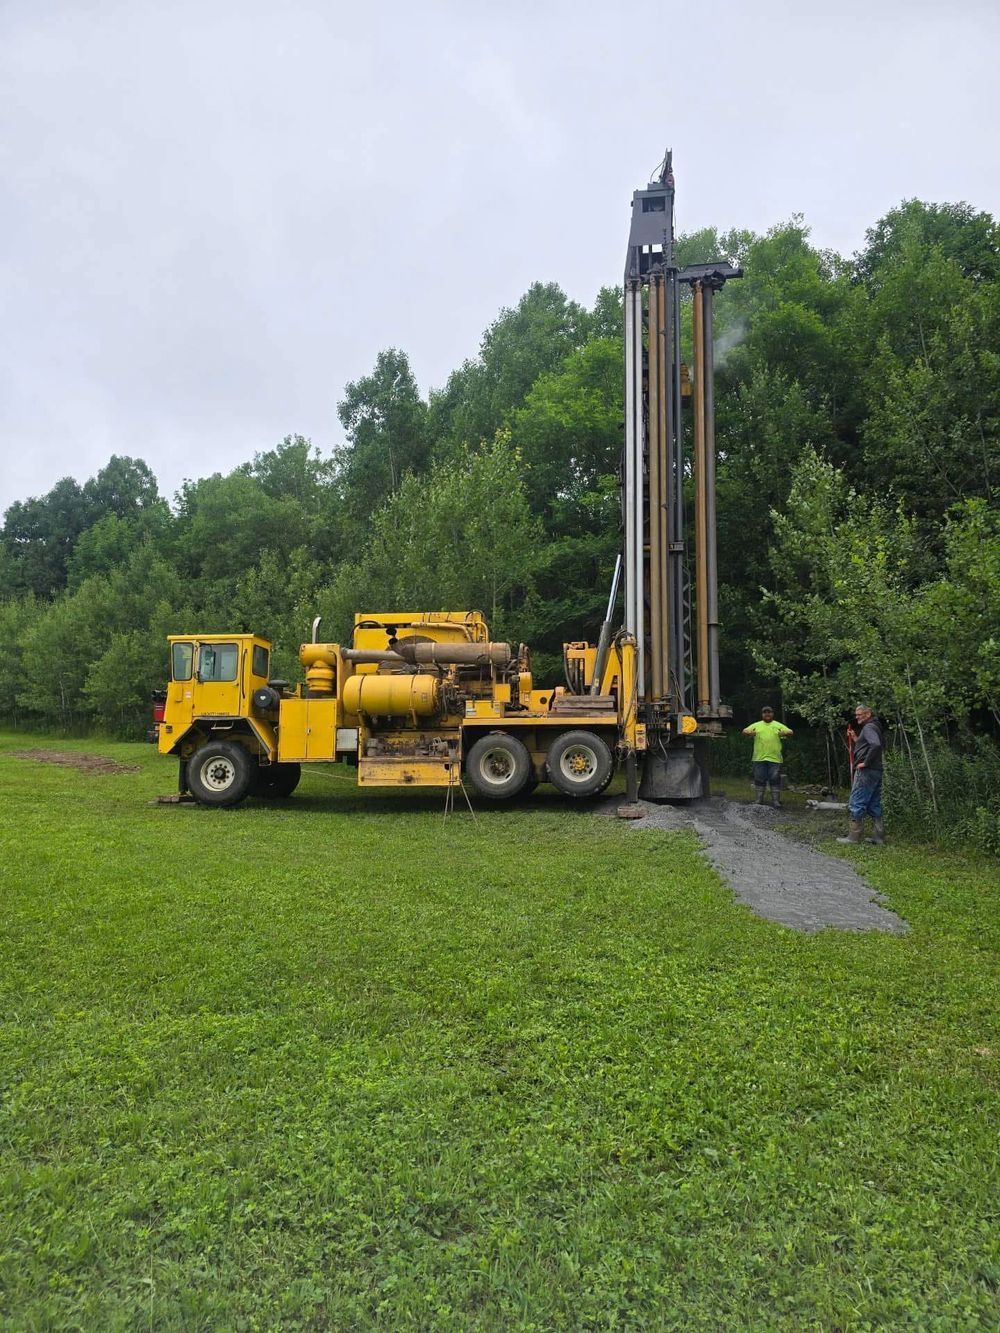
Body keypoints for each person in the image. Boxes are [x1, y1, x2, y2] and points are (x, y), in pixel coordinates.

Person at [838, 703, 884, 845]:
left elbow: (875, 745)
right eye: (856, 714)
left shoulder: (869, 727)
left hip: (867, 770)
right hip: (876, 770)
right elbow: (866, 745)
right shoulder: (876, 726)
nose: (856, 716)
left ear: (868, 714)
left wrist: (865, 763)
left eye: (859, 714)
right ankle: (878, 837)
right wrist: (855, 738)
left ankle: (853, 837)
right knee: (873, 803)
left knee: (856, 801)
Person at [742, 706, 793, 809]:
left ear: (772, 714)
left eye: (769, 712)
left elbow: (790, 732)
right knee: (759, 779)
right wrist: (749, 733)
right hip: (759, 758)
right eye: (765, 712)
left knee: (775, 779)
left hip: (774, 758)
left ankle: (776, 801)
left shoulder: (777, 725)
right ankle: (758, 800)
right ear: (762, 714)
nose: (767, 714)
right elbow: (744, 731)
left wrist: (785, 733)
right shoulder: (757, 725)